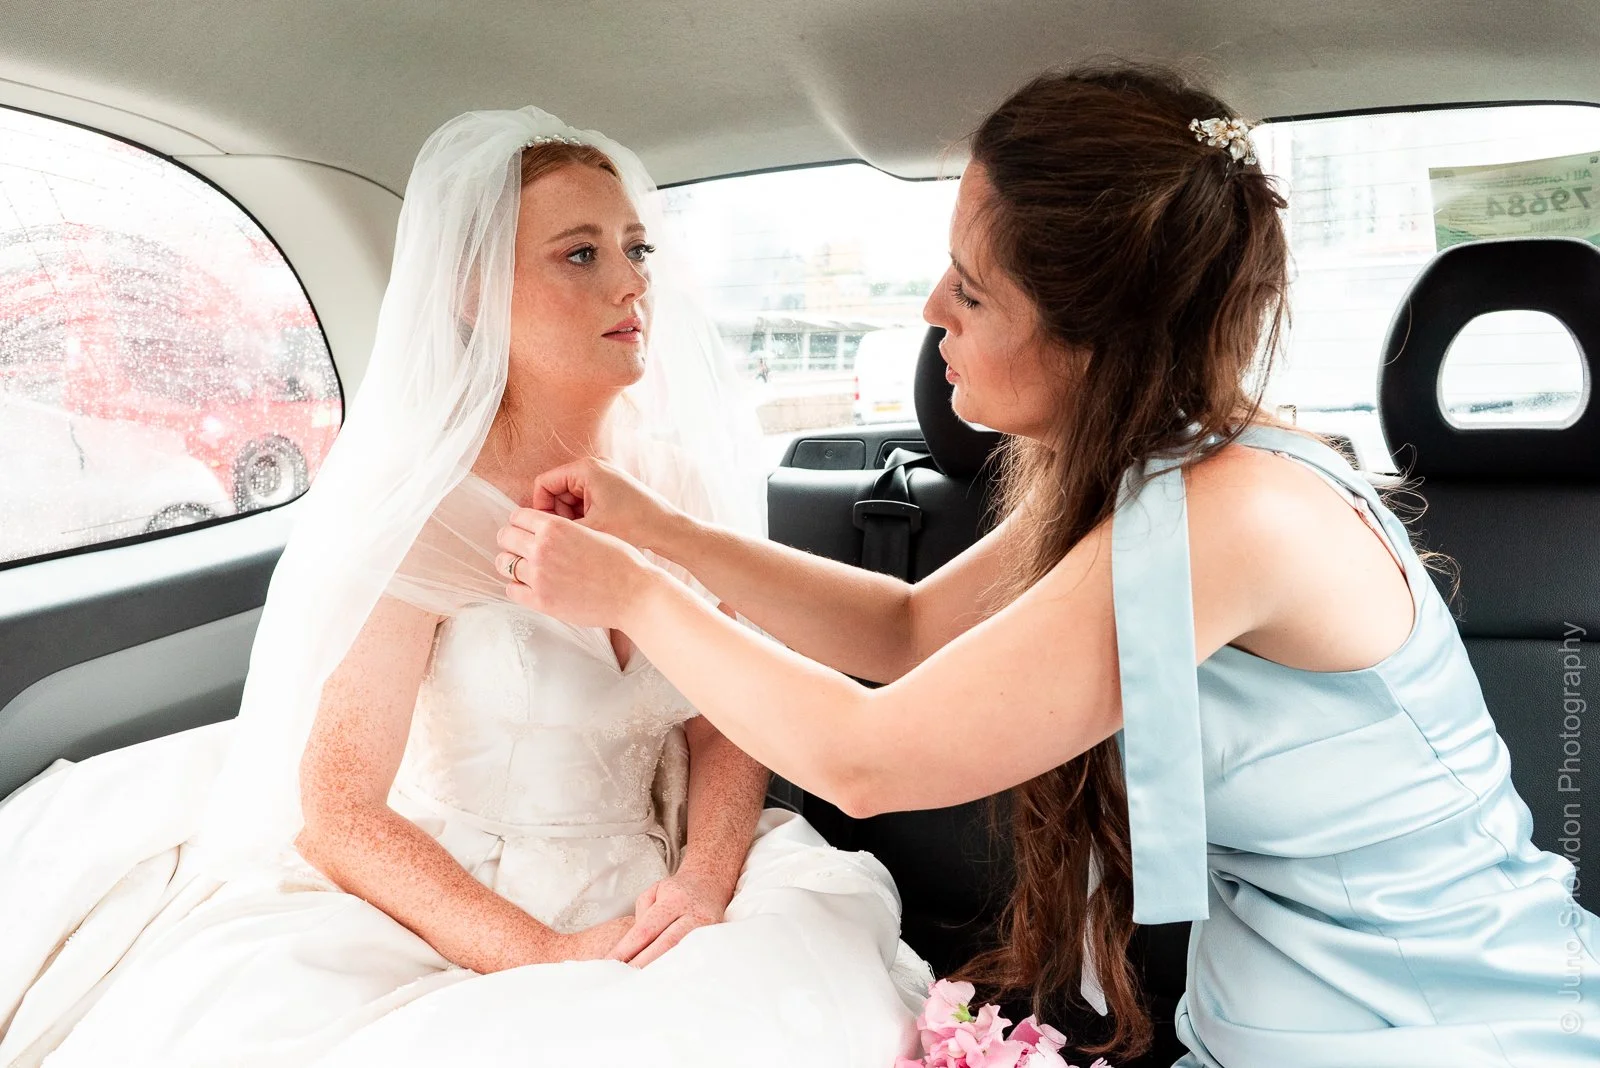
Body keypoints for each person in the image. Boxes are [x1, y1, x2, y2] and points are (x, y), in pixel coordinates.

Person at [498, 64, 1600, 1065]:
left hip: (1435, 1028)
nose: (932, 311)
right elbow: (907, 630)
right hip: (1276, 1021)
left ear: (1094, 342)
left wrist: (634, 593)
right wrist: (660, 530)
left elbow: (870, 760)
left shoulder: (1237, 517)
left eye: (971, 292)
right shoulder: (1165, 471)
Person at [0, 108, 925, 1067]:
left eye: (636, 248)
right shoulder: (422, 512)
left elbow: (719, 720)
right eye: (579, 254)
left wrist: (703, 880)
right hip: (462, 905)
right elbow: (342, 809)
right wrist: (548, 958)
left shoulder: (678, 490)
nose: (630, 282)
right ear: (474, 293)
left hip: (664, 876)